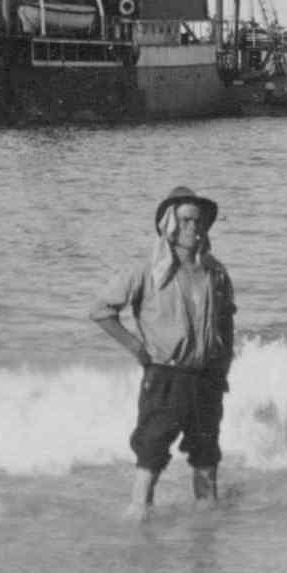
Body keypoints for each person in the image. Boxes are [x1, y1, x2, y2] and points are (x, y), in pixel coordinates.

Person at [91, 186, 237, 521]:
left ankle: (206, 527)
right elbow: (101, 310)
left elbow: (227, 320)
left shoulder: (215, 271)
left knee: (206, 453)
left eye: (198, 221)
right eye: (185, 220)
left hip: (206, 377)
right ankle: (139, 521)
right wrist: (136, 348)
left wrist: (223, 365)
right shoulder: (146, 270)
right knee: (151, 451)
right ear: (168, 225)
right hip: (165, 375)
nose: (193, 228)